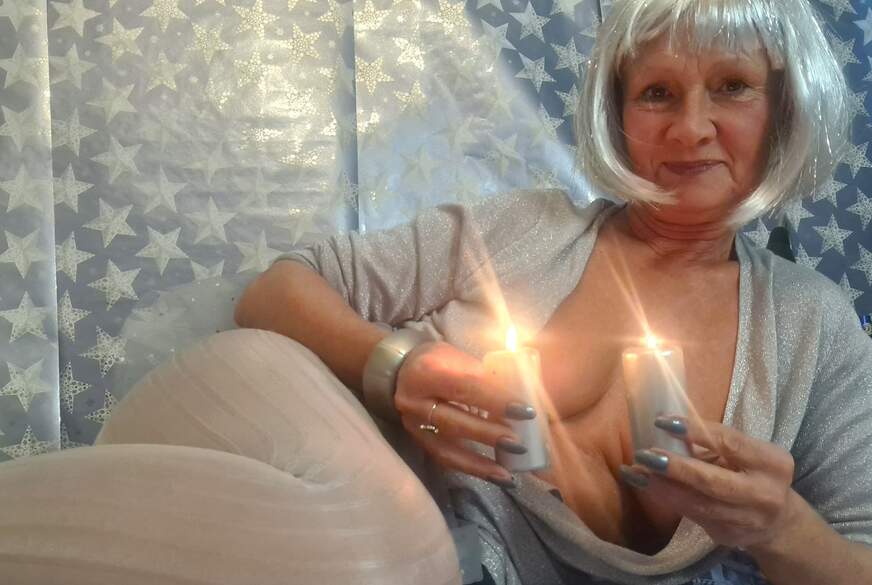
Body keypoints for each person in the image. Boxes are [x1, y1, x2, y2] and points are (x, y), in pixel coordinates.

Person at [233, 0, 872, 583]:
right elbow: (273, 292)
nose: (690, 128)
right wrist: (395, 368)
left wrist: (780, 528)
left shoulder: (811, 321)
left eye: (731, 86)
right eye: (657, 93)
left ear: (784, 107)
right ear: (618, 117)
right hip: (370, 539)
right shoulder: (521, 230)